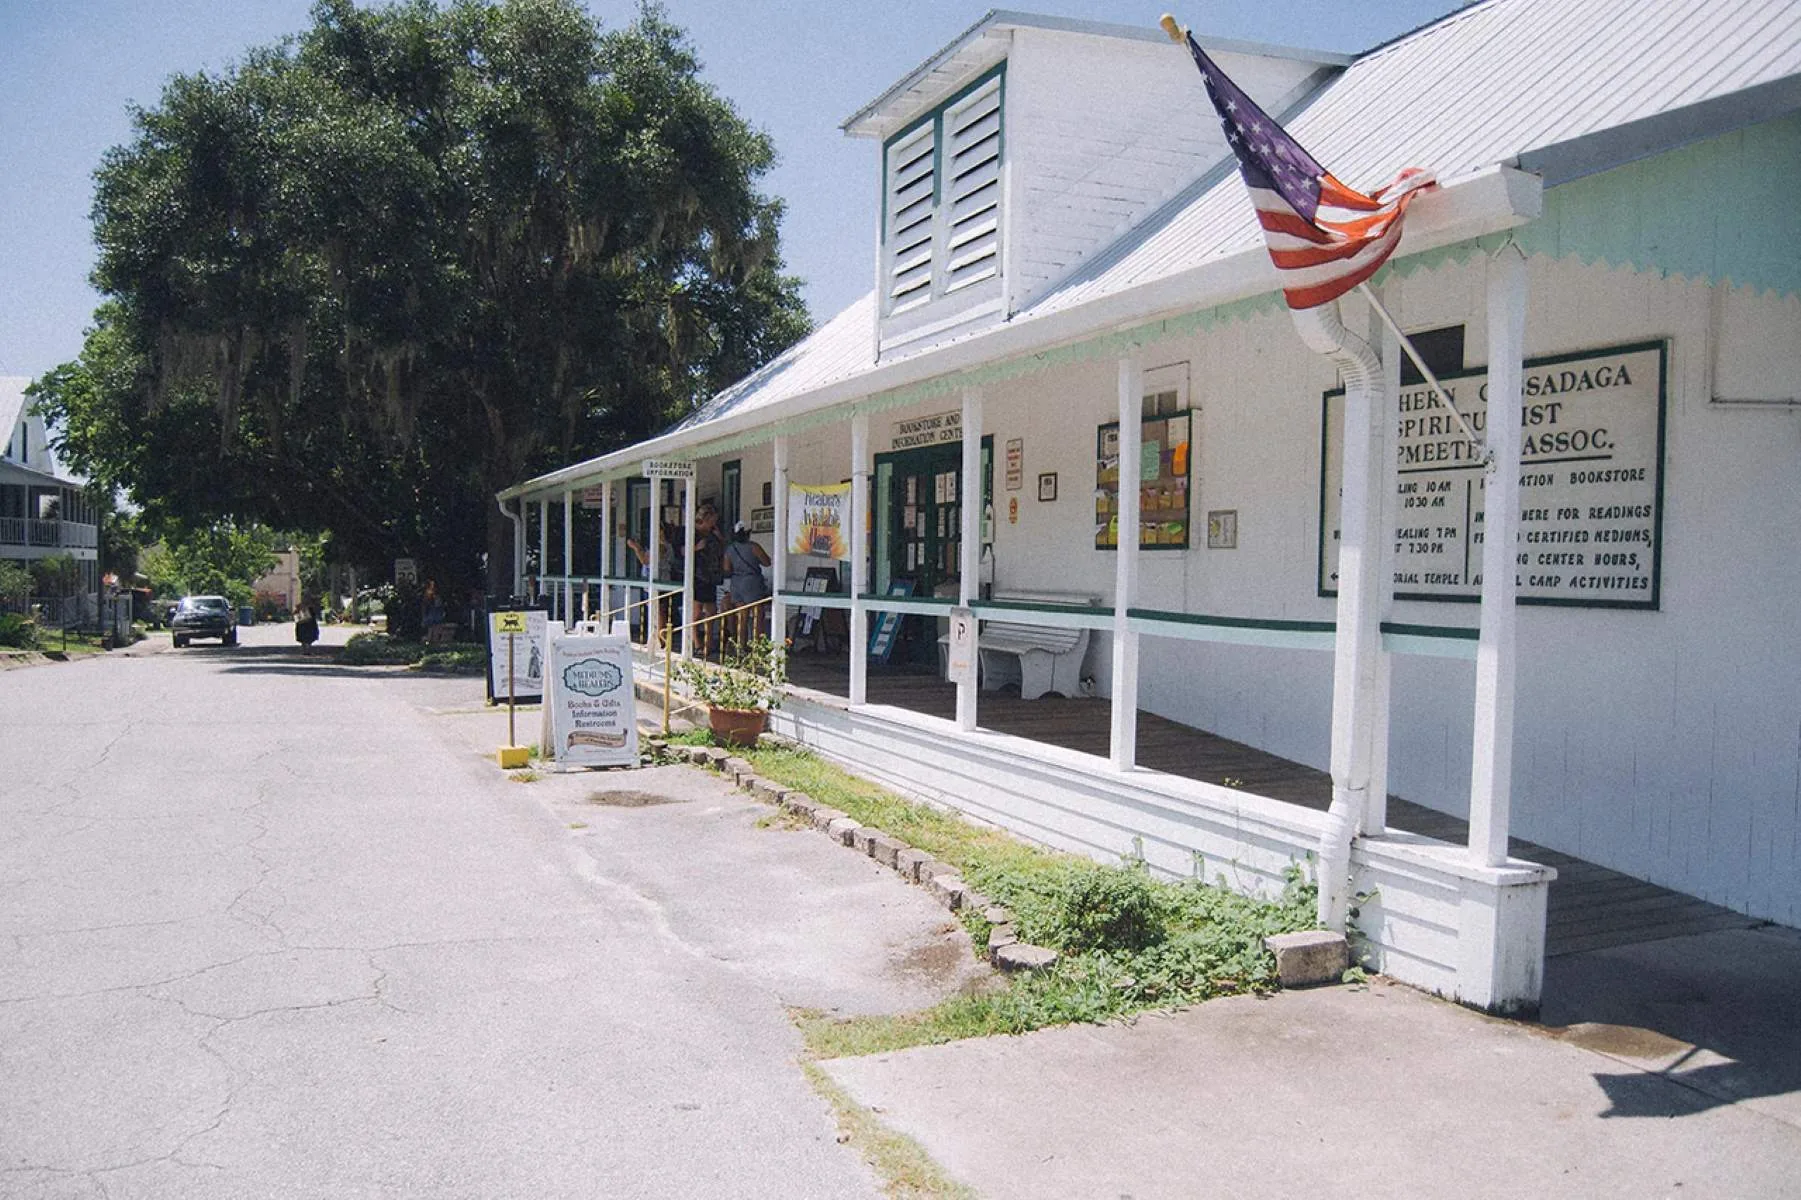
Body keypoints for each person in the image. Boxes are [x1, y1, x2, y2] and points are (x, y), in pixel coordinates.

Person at [722, 521, 772, 647]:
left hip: (736, 583)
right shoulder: (754, 546)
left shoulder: (730, 549)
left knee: (742, 616)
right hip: (752, 583)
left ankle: (741, 645)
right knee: (757, 615)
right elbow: (767, 562)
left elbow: (726, 568)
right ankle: (757, 646)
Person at [691, 501, 727, 658]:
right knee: (697, 612)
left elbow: (723, 550)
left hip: (711, 576)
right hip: (697, 575)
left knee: (711, 611)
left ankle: (709, 642)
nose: (714, 523)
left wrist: (720, 538)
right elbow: (681, 552)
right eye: (712, 520)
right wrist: (696, 548)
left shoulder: (713, 535)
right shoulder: (693, 533)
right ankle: (696, 642)